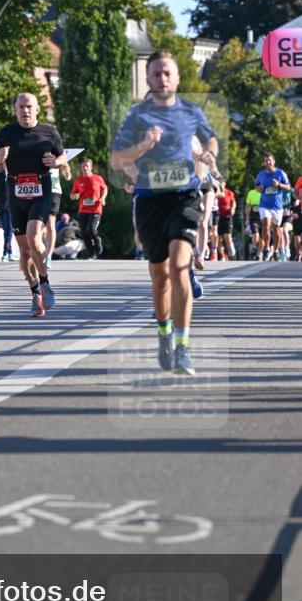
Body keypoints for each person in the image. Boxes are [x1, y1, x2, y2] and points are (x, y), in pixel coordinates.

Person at [110, 50, 218, 376]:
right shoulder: (137, 116)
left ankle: (184, 348)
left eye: (167, 73)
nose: (162, 79)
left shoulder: (190, 111)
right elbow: (116, 160)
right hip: (150, 201)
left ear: (178, 77)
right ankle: (165, 335)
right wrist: (142, 146)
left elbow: (210, 139)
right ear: (148, 79)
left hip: (184, 197)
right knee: (160, 280)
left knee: (179, 266)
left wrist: (209, 155)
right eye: (156, 74)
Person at [0, 92, 65, 317]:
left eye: (30, 106)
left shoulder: (49, 132)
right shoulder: (6, 133)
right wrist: (0, 160)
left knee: (34, 238)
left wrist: (56, 162)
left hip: (40, 190)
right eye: (21, 106)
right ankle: (35, 295)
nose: (25, 110)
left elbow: (62, 157)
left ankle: (44, 283)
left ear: (37, 109)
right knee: (24, 252)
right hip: (15, 193)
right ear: (15, 109)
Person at [69, 157, 108, 260]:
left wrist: (103, 198)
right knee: (84, 232)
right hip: (83, 209)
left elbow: (105, 188)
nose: (85, 168)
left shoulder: (97, 178)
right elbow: (73, 194)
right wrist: (74, 196)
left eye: (87, 166)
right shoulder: (78, 180)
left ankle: (97, 239)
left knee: (90, 229)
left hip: (96, 209)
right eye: (83, 166)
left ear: (91, 167)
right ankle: (92, 253)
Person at [255, 152, 291, 262]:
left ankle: (275, 250)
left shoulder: (281, 173)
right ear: (264, 163)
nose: (268, 162)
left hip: (277, 207)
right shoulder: (261, 174)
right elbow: (256, 186)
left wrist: (279, 185)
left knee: (276, 229)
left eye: (270, 160)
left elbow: (288, 187)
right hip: (264, 205)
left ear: (274, 161)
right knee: (265, 223)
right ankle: (266, 247)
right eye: (266, 160)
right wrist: (259, 189)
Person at [215, 181, 237, 260]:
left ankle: (231, 252)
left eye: (222, 183)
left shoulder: (229, 193)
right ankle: (222, 257)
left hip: (227, 217)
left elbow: (233, 202)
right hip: (218, 217)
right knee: (219, 238)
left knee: (227, 236)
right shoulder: (215, 192)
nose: (220, 184)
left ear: (224, 184)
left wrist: (233, 208)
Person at [245, 185, 263, 260]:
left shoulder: (265, 193)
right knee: (255, 234)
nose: (257, 186)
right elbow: (248, 206)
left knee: (262, 237)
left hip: (263, 217)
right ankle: (254, 248)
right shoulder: (251, 192)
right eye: (256, 184)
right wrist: (247, 218)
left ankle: (259, 253)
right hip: (253, 217)